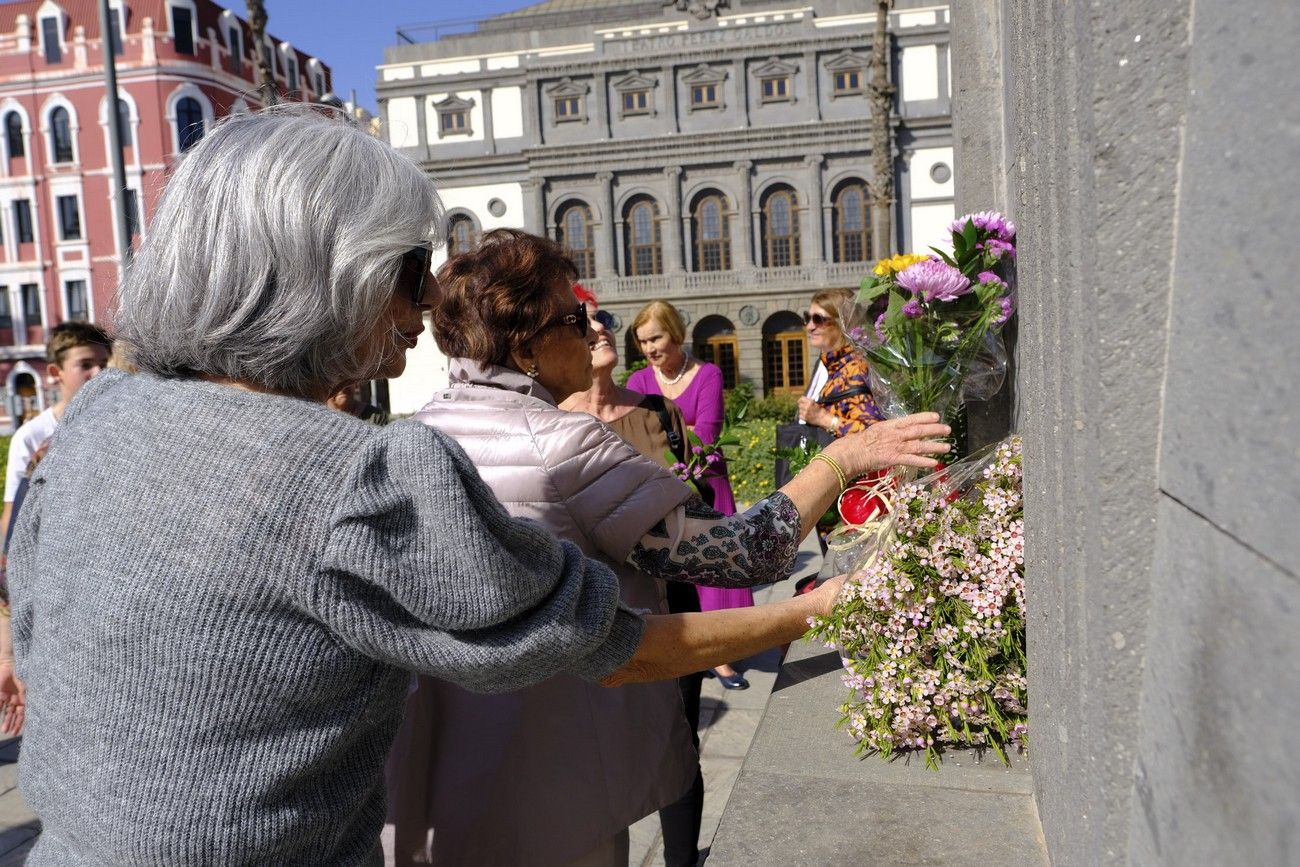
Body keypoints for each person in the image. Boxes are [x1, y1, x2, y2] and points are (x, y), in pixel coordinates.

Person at [1, 108, 869, 866]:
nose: (421, 316)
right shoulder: (357, 475)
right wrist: (809, 608)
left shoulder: (92, 422)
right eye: (414, 274)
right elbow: (607, 644)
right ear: (331, 272)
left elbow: (34, 642)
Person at [383, 229, 950, 867]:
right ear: (530, 345)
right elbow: (745, 553)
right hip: (553, 784)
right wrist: (846, 457)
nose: (594, 330)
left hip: (440, 787)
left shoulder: (416, 435)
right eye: (575, 319)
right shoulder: (564, 446)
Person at [561, 289, 703, 867]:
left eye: (605, 323)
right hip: (593, 612)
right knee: (594, 750)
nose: (599, 332)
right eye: (584, 324)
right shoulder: (551, 421)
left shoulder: (654, 411)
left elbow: (691, 502)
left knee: (680, 740)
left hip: (672, 600)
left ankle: (681, 860)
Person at [626, 301, 750, 688]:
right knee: (679, 578)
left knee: (713, 570)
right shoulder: (638, 384)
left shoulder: (708, 373)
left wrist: (669, 437)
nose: (649, 348)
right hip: (660, 490)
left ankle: (721, 655)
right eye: (642, 341)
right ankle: (689, 649)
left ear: (675, 333)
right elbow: (633, 439)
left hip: (707, 485)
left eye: (656, 338)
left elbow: (708, 436)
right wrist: (682, 432)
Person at [1, 322, 111, 540]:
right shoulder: (31, 436)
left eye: (103, 364)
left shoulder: (113, 424)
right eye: (85, 364)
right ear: (55, 371)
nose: (98, 373)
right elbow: (13, 517)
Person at [797, 288, 886, 437]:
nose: (810, 326)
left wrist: (823, 419)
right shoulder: (830, 363)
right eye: (808, 318)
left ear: (841, 322)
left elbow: (874, 434)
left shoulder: (855, 369)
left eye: (818, 319)